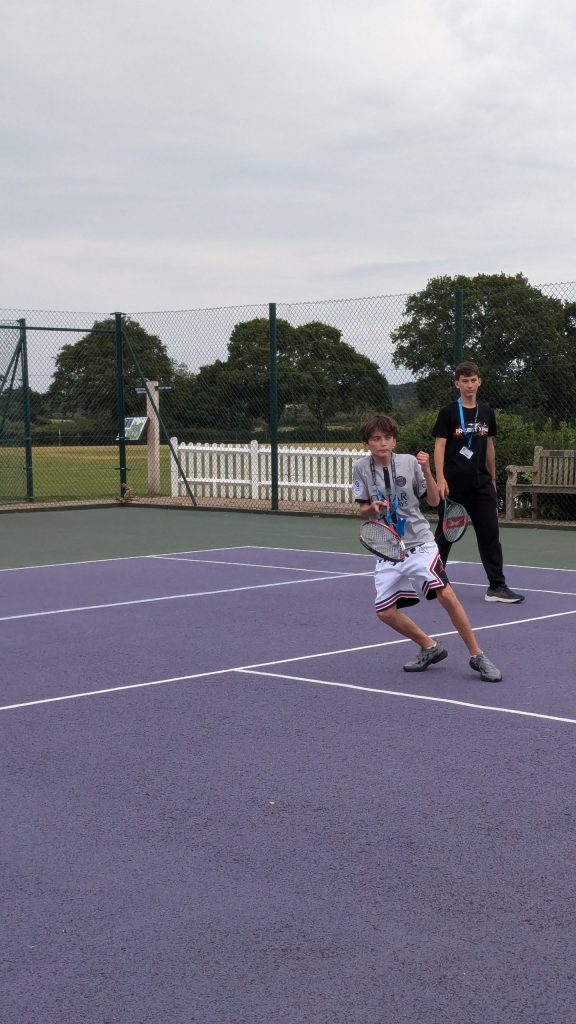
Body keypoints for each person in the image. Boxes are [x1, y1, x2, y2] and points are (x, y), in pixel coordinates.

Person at [352, 413, 502, 682]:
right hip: (389, 549)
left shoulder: (410, 463)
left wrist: (427, 470)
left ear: (394, 441)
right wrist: (372, 508)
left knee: (446, 595)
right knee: (385, 612)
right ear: (367, 443)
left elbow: (433, 501)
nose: (383, 443)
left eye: (388, 437)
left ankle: (477, 655)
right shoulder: (361, 468)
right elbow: (362, 509)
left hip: (420, 543)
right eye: (376, 438)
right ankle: (430, 646)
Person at [432, 360, 524, 603]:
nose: (469, 385)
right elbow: (440, 445)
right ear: (457, 384)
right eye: (465, 381)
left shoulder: (486, 411)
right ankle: (433, 579)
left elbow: (489, 445)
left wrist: (492, 477)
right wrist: (440, 478)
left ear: (479, 382)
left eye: (473, 380)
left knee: (490, 534)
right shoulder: (448, 412)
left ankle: (497, 586)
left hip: (481, 484)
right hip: (453, 485)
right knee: (446, 534)